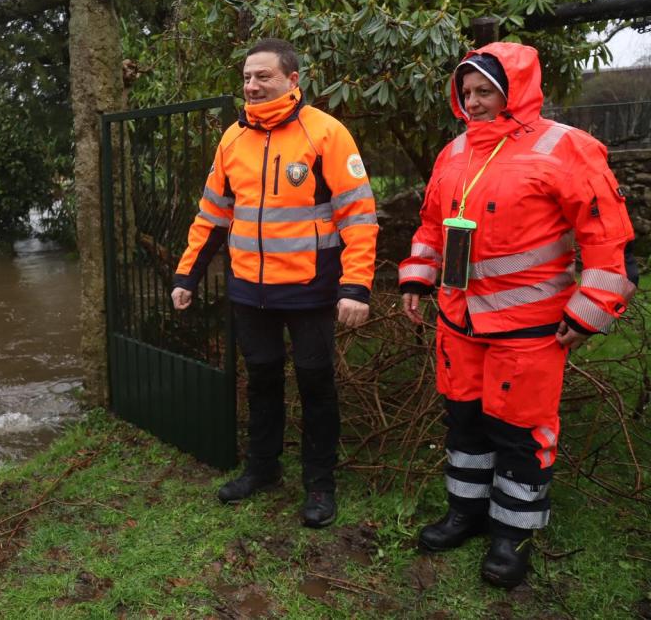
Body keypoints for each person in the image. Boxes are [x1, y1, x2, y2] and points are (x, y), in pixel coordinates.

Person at [399, 42, 637, 589]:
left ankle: (513, 535)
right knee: (464, 424)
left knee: (521, 432)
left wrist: (592, 310)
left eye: (485, 91)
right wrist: (417, 274)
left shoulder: (567, 147)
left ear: (516, 90)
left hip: (530, 327)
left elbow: (609, 240)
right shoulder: (453, 153)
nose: (474, 102)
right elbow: (433, 226)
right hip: (458, 322)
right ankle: (467, 512)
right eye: (467, 93)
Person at [171, 38, 378, 528]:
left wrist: (356, 287)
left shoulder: (326, 133)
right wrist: (187, 274)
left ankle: (320, 485)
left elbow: (359, 217)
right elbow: (212, 216)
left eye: (263, 76)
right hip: (249, 292)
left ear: (292, 80)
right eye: (246, 76)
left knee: (316, 386)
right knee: (262, 382)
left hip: (309, 292)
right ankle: (262, 469)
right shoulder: (232, 140)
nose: (252, 85)